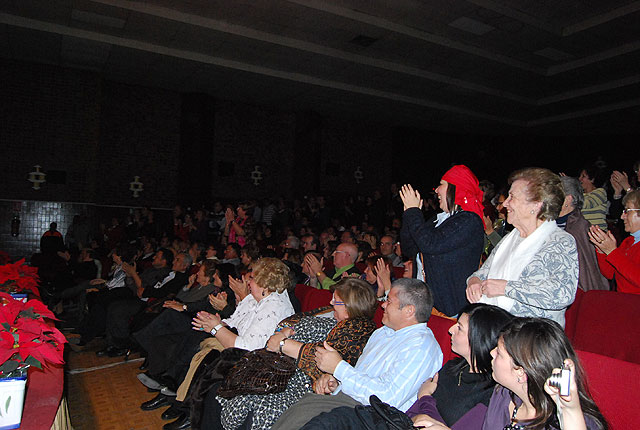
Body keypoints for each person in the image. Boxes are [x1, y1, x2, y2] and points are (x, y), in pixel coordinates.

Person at [300, 303, 514, 430]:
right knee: (327, 421)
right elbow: (411, 413)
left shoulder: (491, 392)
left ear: (479, 338)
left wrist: (426, 398)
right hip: (394, 421)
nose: (450, 330)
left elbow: (432, 422)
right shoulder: (452, 368)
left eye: (459, 328)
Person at [203, 278, 378, 430]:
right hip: (278, 367)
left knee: (225, 393)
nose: (331, 303)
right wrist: (285, 333)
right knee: (218, 384)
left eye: (336, 300)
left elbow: (321, 357)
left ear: (349, 307)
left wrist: (282, 343)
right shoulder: (332, 317)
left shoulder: (355, 331)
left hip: (294, 381)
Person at [270, 278, 443, 430]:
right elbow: (361, 377)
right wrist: (336, 383)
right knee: (298, 409)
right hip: (348, 402)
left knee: (304, 417)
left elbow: (386, 399)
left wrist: (339, 368)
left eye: (389, 301)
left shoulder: (421, 347)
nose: (383, 304)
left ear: (409, 311)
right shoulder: (383, 332)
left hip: (373, 416)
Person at [159, 258, 295, 428]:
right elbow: (235, 321)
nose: (248, 281)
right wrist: (217, 322)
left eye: (252, 278)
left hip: (255, 361)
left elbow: (246, 348)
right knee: (195, 335)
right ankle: (174, 394)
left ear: (265, 284)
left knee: (206, 355)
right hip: (240, 347)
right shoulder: (258, 297)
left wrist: (216, 328)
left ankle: (186, 408)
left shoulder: (274, 307)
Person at [466, 168, 579, 327]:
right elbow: (483, 272)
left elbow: (562, 294)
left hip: (534, 334)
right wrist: (474, 281)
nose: (505, 203)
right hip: (497, 327)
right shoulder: (511, 238)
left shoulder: (560, 241)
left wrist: (506, 288)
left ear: (536, 204)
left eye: (512, 197)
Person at [483, 318, 607, 430]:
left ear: (521, 372)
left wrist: (569, 412)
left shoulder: (572, 422)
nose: (492, 353)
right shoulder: (503, 394)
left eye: (499, 353)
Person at [400, 165, 485, 317]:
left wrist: (414, 212)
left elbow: (430, 244)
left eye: (441, 184)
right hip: (424, 306)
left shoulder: (469, 220)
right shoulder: (437, 220)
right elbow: (409, 248)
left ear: (456, 188)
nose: (437, 190)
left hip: (452, 311)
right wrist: (409, 214)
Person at [557, 176, 610, 291]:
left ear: (568, 200)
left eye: (554, 195)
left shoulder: (580, 228)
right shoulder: (548, 223)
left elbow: (586, 274)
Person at [588, 189, 640, 294]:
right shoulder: (629, 241)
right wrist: (602, 250)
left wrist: (612, 252)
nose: (622, 217)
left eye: (627, 211)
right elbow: (611, 274)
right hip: (624, 300)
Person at [578, 165, 608, 230]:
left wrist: (571, 187)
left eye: (583, 176)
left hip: (598, 232)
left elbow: (585, 204)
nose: (579, 179)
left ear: (592, 179)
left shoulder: (600, 192)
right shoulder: (580, 195)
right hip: (583, 232)